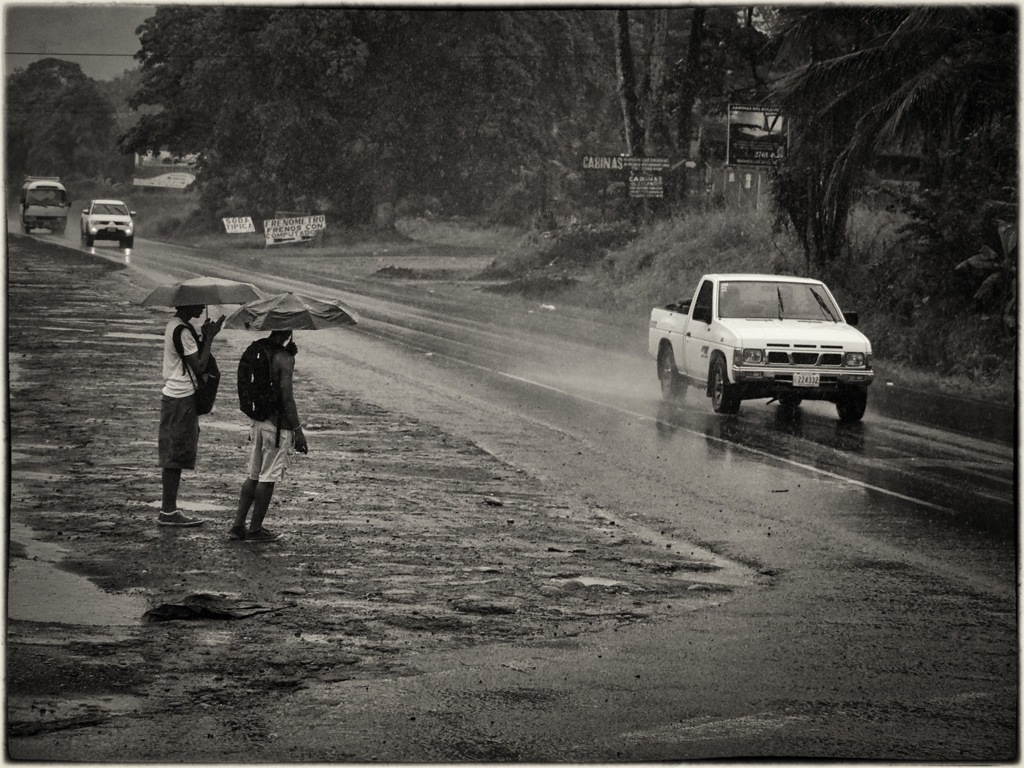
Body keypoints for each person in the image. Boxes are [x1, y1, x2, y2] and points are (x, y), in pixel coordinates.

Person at [230, 330, 308, 542]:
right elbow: (287, 398)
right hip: (276, 426)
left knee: (253, 475)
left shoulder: (258, 348)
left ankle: (238, 526)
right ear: (288, 331)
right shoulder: (285, 358)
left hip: (257, 421)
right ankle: (255, 530)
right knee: (268, 478)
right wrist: (298, 430)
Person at [158, 304, 224, 526]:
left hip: (173, 396)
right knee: (176, 454)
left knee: (172, 453)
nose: (201, 306)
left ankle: (168, 510)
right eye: (197, 303)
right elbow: (200, 365)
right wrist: (211, 338)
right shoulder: (184, 332)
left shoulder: (174, 325)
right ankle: (168, 512)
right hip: (181, 398)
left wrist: (204, 336)